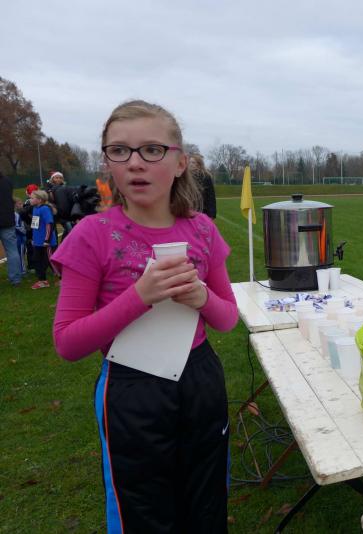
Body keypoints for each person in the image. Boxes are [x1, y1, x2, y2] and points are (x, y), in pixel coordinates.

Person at [51, 100, 238, 533]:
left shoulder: (202, 229)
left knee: (207, 501)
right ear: (107, 163)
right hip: (132, 389)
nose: (135, 162)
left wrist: (201, 297)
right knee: (144, 512)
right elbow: (68, 342)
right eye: (120, 150)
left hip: (200, 379)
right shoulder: (92, 235)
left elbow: (228, 318)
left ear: (180, 163)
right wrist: (139, 296)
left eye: (152, 150)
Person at [29, 190, 58, 289]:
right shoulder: (35, 209)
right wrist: (33, 238)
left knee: (51, 260)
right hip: (38, 242)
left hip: (46, 242)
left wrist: (47, 240)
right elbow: (35, 225)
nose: (30, 200)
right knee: (36, 260)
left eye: (32, 198)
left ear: (39, 200)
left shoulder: (44, 209)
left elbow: (49, 224)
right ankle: (42, 281)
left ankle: (63, 278)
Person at [0, 170, 23, 286]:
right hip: (7, 219)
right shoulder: (7, 181)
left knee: (12, 250)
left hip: (6, 220)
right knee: (12, 250)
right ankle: (16, 279)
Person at [189, 153, 217, 219]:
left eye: (193, 162)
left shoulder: (206, 177)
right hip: (189, 209)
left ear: (199, 164)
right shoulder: (186, 176)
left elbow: (211, 196)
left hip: (203, 210)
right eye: (190, 162)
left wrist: (212, 214)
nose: (190, 164)